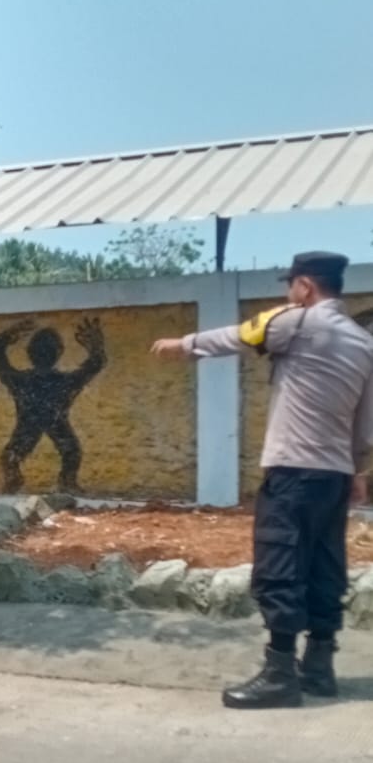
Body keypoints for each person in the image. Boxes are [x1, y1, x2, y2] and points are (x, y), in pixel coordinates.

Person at [151, 252, 373, 709]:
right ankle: (319, 668)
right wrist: (358, 471)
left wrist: (183, 344)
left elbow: (240, 334)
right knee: (325, 565)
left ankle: (279, 675)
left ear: (305, 286)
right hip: (334, 476)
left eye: (291, 284)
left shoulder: (298, 321)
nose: (288, 293)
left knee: (280, 566)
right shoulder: (362, 341)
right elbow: (365, 420)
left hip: (293, 471)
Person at [0, 316, 107, 493]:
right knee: (72, 453)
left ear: (29, 352)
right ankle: (67, 482)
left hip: (30, 422)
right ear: (59, 353)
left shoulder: (20, 381)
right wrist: (95, 344)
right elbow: (96, 363)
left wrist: (10, 335)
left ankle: (16, 479)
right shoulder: (65, 382)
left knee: (11, 456)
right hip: (54, 421)